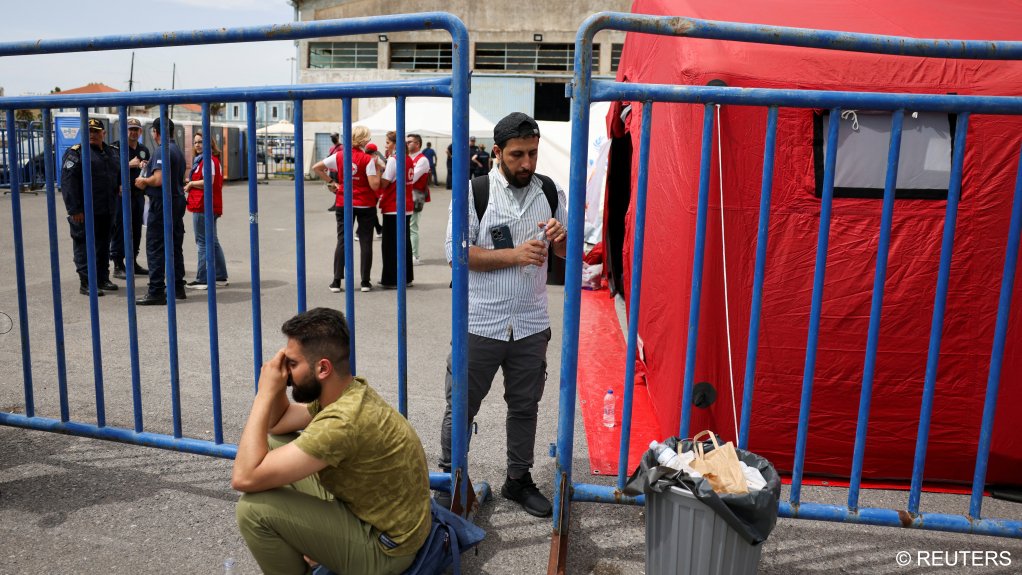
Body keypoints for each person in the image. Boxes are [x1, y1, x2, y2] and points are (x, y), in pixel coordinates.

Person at [232, 307, 431, 575]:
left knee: (253, 510)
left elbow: (243, 477)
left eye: (292, 364)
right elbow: (277, 423)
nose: (286, 372)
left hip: (385, 550)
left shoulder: (342, 422)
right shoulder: (347, 390)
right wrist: (278, 384)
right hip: (373, 516)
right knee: (275, 441)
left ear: (323, 368)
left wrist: (263, 395)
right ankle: (318, 543)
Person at [440, 112, 567, 518]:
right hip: (480, 322)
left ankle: (518, 479)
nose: (527, 163)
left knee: (525, 406)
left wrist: (563, 241)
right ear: (497, 153)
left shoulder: (548, 190)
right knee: (461, 404)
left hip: (530, 323)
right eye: (517, 155)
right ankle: (449, 479)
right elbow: (455, 253)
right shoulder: (474, 191)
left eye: (532, 153)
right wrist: (514, 255)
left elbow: (568, 251)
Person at [311, 125, 382, 293]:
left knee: (343, 240)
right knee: (365, 242)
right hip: (365, 203)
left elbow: (317, 167)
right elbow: (375, 185)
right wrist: (378, 170)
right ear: (364, 140)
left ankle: (336, 281)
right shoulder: (367, 159)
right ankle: (365, 281)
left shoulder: (340, 156)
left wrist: (331, 182)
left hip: (344, 202)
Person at [60, 118, 120, 296]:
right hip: (84, 211)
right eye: (89, 131)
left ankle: (102, 278)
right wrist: (74, 210)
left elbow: (116, 174)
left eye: (95, 131)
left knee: (103, 246)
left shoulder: (112, 152)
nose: (92, 134)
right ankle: (86, 282)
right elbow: (68, 183)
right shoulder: (76, 153)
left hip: (107, 209)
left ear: (104, 134)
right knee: (84, 245)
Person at [135, 117, 187, 306]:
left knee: (155, 247)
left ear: (156, 132)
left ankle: (156, 291)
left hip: (163, 204)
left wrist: (143, 181)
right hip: (176, 202)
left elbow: (158, 179)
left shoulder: (162, 149)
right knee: (174, 246)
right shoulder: (176, 150)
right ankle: (177, 287)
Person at [184, 132, 228, 290]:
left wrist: (190, 184)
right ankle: (220, 276)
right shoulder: (209, 160)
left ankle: (202, 279)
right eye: (195, 142)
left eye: (201, 142)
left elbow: (209, 181)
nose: (197, 145)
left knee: (202, 242)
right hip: (210, 205)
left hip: (204, 205)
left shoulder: (207, 160)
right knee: (213, 241)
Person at [109, 117, 150, 279]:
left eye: (136, 129)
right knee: (120, 228)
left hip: (138, 195)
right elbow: (108, 170)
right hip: (121, 195)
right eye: (130, 129)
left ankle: (132, 262)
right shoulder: (115, 148)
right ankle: (118, 264)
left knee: (136, 229)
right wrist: (128, 164)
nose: (133, 132)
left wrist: (144, 167)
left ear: (140, 132)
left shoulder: (143, 149)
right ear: (125, 131)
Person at [376, 131, 414, 289]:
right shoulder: (408, 159)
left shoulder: (394, 160)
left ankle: (391, 279)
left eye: (388, 142)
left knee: (390, 245)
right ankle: (406, 277)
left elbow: (384, 183)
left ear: (395, 144)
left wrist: (378, 170)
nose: (386, 145)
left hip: (393, 206)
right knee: (404, 243)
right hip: (406, 205)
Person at [406, 133, 430, 266]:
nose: (407, 143)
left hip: (416, 195)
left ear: (418, 144)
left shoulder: (422, 159)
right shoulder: (407, 157)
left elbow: (412, 178)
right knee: (406, 226)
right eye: (407, 141)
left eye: (410, 141)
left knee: (412, 226)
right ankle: (409, 253)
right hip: (405, 195)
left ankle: (415, 256)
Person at [326, 133, 343, 212]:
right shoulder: (331, 148)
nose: (332, 139)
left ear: (337, 137)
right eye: (331, 137)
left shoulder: (342, 147)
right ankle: (340, 200)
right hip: (331, 170)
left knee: (337, 187)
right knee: (331, 186)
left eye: (334, 137)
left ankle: (337, 204)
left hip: (337, 171)